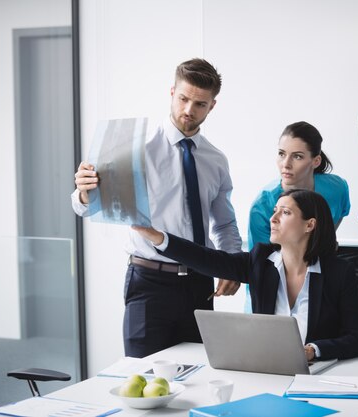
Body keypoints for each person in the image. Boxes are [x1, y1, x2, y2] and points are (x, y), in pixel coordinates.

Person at [71, 58, 242, 358]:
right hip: (149, 281)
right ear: (172, 91)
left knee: (199, 375)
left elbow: (224, 223)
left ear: (212, 106)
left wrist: (232, 263)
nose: (189, 110)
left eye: (200, 104)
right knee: (143, 377)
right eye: (184, 99)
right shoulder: (134, 148)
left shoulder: (216, 160)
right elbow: (87, 207)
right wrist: (85, 193)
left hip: (200, 282)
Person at [133, 189, 358, 361]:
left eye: (285, 213)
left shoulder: (339, 273)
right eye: (275, 211)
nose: (273, 218)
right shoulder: (260, 262)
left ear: (310, 225)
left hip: (319, 375)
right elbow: (207, 259)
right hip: (267, 371)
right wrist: (157, 237)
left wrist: (314, 350)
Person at [245, 121, 350, 311]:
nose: (286, 164)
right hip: (270, 289)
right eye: (281, 154)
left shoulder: (337, 188)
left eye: (298, 156)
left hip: (319, 282)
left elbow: (336, 217)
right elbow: (259, 265)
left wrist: (322, 240)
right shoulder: (262, 207)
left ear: (316, 161)